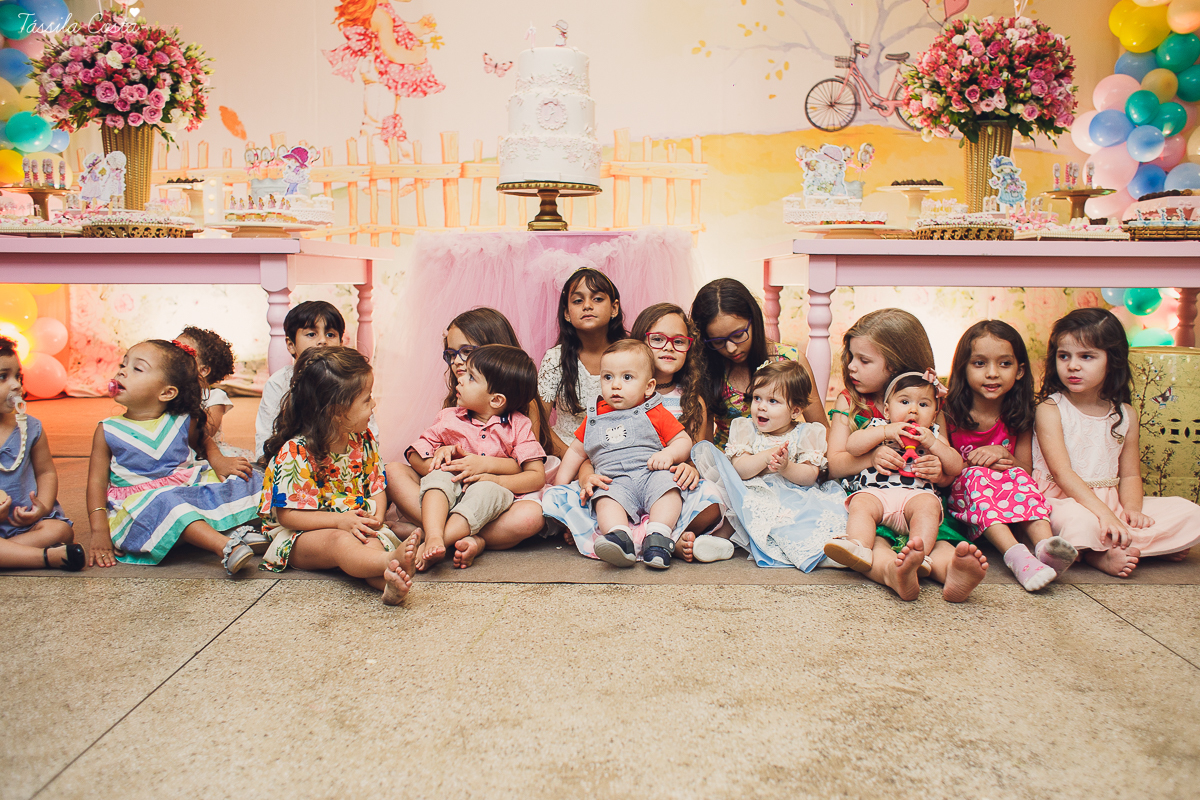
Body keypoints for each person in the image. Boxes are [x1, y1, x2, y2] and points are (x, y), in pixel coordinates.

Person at [1032, 308, 1200, 577]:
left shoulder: (1124, 414)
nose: (1072, 365)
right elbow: (1063, 474)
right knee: (1081, 521)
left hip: (1112, 502)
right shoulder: (1050, 409)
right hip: (1062, 501)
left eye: (1086, 356)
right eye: (1064, 356)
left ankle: (1118, 542)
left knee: (1190, 512)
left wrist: (1131, 510)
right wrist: (1105, 516)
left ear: (1113, 360)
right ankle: (1096, 556)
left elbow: (1131, 474)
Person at [385, 308, 555, 569]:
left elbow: (525, 468)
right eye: (451, 354)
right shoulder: (455, 407)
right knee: (393, 471)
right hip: (449, 487)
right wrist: (443, 460)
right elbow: (419, 453)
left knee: (531, 518)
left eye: (466, 351)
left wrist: (484, 468)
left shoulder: (521, 412)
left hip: (496, 495)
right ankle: (456, 535)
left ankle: (433, 533)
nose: (456, 362)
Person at [86, 339, 266, 573]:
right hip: (140, 513)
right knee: (170, 502)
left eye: (136, 368)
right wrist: (99, 531)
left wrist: (219, 461)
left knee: (250, 476)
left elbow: (203, 440)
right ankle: (225, 545)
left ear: (167, 392)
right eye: (123, 365)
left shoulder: (181, 420)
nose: (122, 371)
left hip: (185, 491)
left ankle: (239, 529)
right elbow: (96, 482)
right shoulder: (108, 430)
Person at [259, 346, 415, 605]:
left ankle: (389, 583)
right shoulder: (296, 451)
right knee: (339, 542)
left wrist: (375, 518)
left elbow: (376, 485)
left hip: (353, 523)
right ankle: (388, 561)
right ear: (337, 412)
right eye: (367, 399)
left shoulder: (363, 440)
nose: (373, 404)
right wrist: (340, 522)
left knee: (368, 543)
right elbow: (288, 516)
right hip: (302, 535)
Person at [828, 371, 988, 602]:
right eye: (904, 402)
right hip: (878, 496)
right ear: (886, 410)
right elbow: (852, 446)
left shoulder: (932, 435)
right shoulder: (877, 427)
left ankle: (931, 560)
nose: (913, 410)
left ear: (934, 415)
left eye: (923, 404)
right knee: (861, 503)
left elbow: (955, 466)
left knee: (928, 508)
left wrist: (935, 448)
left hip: (915, 498)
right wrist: (882, 435)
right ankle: (859, 546)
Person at [943, 320, 1076, 591]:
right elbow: (946, 466)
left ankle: (1044, 547)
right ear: (963, 368)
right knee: (977, 476)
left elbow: (1025, 468)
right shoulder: (947, 410)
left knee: (1020, 478)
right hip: (966, 501)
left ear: (1019, 371)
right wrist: (972, 463)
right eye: (979, 363)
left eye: (1004, 364)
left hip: (1009, 494)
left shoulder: (1021, 411)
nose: (992, 373)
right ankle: (1016, 556)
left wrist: (1003, 455)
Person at [554, 340, 693, 569]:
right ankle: (619, 538)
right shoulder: (594, 416)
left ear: (648, 387)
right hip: (614, 481)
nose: (615, 385)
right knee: (605, 500)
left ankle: (659, 536)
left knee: (669, 491)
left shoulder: (654, 411)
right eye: (608, 377)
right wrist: (560, 486)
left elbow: (683, 440)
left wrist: (670, 454)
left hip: (651, 474)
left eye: (627, 378)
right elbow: (576, 451)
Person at [699, 361, 848, 571]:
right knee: (734, 510)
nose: (761, 406)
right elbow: (740, 470)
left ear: (795, 410)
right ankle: (720, 543)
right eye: (757, 398)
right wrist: (765, 456)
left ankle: (822, 551)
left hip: (792, 495)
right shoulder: (746, 429)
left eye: (773, 401)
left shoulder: (806, 433)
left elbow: (809, 476)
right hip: (751, 492)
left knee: (801, 522)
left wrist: (787, 468)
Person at [690, 278, 826, 451]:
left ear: (754, 320)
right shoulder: (707, 368)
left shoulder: (790, 360)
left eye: (738, 335)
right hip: (730, 466)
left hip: (783, 466)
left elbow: (821, 430)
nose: (731, 349)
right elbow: (705, 445)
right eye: (718, 341)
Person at [256, 301, 377, 461]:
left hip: (345, 462)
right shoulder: (278, 383)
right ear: (291, 345)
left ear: (341, 343)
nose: (322, 341)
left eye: (330, 335)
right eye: (312, 334)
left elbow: (369, 429)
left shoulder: (350, 380)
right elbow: (265, 441)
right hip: (295, 464)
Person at [0, 336, 82, 571]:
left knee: (61, 530)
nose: (16, 385)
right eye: (2, 377)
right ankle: (46, 557)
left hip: (26, 526)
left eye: (18, 376)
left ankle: (10, 554)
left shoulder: (30, 428)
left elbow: (46, 472)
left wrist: (43, 507)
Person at [539, 268, 626, 449]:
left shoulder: (630, 355)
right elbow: (537, 422)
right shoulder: (555, 359)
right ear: (567, 314)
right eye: (578, 301)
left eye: (597, 299)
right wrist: (570, 461)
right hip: (564, 450)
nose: (587, 305)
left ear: (614, 308)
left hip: (618, 452)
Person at [176, 325, 252, 460]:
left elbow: (205, 434)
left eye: (181, 354)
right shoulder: (166, 392)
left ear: (203, 370)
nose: (171, 357)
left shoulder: (213, 397)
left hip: (203, 455)